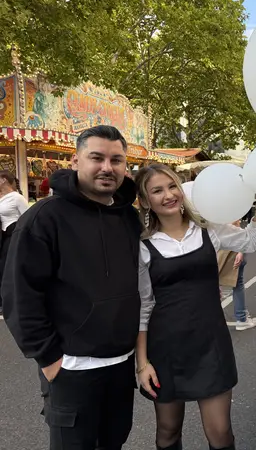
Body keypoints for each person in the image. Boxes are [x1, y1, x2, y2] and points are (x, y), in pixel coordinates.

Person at [1, 125, 142, 450]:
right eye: (97, 158)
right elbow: (19, 296)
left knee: (114, 443)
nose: (107, 167)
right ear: (76, 161)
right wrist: (50, 360)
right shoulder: (44, 217)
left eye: (116, 160)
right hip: (71, 369)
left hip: (121, 366)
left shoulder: (127, 217)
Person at [134, 164, 256, 450]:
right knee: (168, 432)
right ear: (145, 201)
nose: (169, 195)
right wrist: (142, 363)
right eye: (157, 191)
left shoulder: (209, 230)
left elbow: (254, 239)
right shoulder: (142, 246)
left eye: (172, 186)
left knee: (220, 433)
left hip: (211, 345)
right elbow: (144, 307)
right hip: (165, 350)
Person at [0, 170, 28, 314]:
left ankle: (10, 301)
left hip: (13, 235)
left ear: (3, 180)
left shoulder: (17, 198)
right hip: (3, 236)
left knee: (8, 267)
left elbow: (27, 218)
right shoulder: (2, 198)